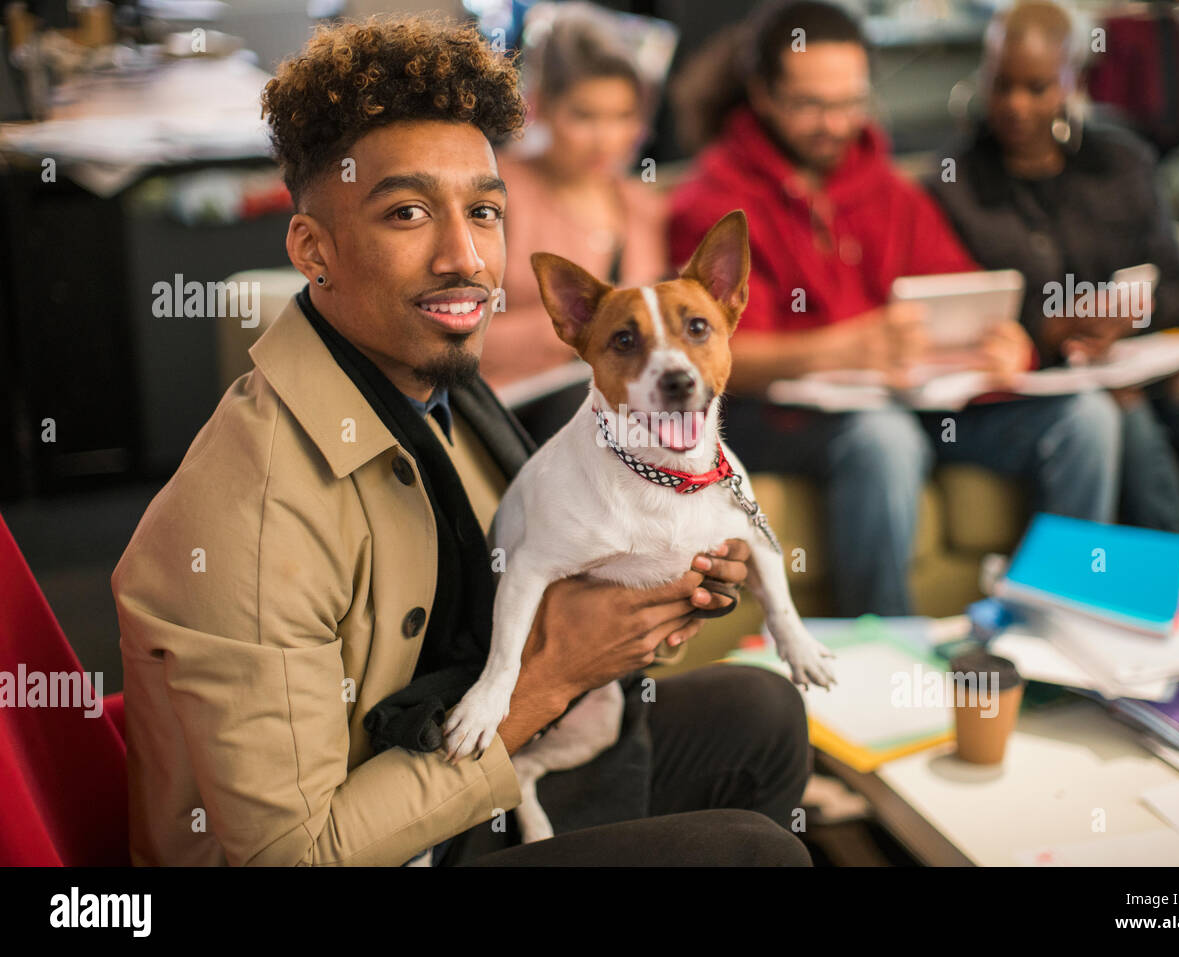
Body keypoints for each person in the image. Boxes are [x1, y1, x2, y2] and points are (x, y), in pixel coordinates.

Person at [112, 15, 812, 867]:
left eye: (484, 210)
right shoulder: (249, 516)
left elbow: (537, 574)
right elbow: (290, 857)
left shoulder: (447, 395)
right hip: (387, 847)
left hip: (484, 771)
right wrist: (548, 677)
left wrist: (642, 599)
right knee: (750, 853)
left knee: (763, 712)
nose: (466, 255)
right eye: (408, 211)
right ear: (313, 249)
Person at [668, 0, 1120, 617]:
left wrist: (1003, 341)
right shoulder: (711, 201)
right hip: (782, 416)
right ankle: (886, 659)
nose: (834, 124)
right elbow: (707, 354)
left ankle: (1064, 633)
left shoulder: (883, 187)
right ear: (763, 95)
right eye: (810, 104)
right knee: (884, 440)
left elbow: (961, 291)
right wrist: (848, 346)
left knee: (1084, 418)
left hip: (912, 402)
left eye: (850, 102)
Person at [926, 0, 1179, 558]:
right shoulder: (956, 181)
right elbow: (963, 309)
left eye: (1036, 87)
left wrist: (1125, 321)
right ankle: (1174, 576)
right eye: (1002, 85)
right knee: (1124, 411)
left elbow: (1175, 284)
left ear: (1072, 80)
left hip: (1131, 353)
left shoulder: (1121, 160)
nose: (1014, 105)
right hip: (1040, 375)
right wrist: (1050, 331)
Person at [480, 2, 672, 446]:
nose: (606, 138)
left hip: (622, 405)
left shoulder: (642, 206)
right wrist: (587, 331)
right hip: (513, 407)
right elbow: (458, 337)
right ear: (540, 106)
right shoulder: (496, 194)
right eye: (585, 116)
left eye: (623, 116)